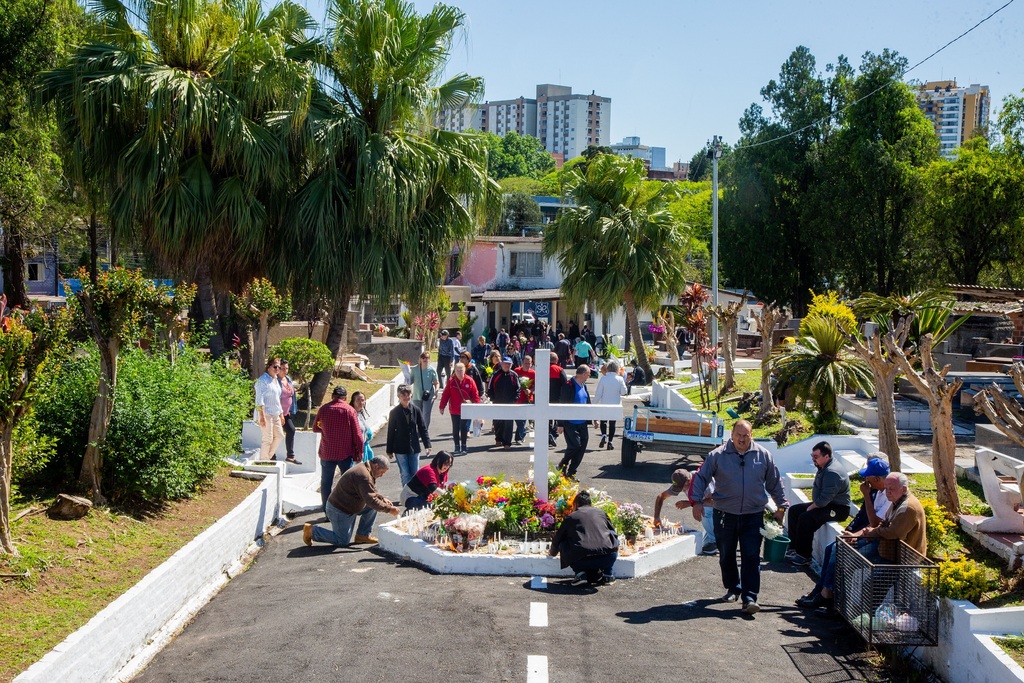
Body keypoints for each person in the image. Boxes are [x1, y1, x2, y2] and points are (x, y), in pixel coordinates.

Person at [690, 420, 789, 616]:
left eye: (746, 435)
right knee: (726, 554)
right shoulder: (717, 455)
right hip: (725, 514)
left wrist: (781, 506)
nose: (742, 439)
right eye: (739, 435)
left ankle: (749, 597)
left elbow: (774, 482)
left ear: (751, 435)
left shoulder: (763, 455)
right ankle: (733, 588)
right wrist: (696, 502)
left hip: (753, 515)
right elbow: (701, 477)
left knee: (751, 556)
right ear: (732, 435)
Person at [796, 457, 891, 613]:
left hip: (880, 542)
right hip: (870, 534)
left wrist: (866, 495)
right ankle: (821, 591)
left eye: (868, 477)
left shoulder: (886, 495)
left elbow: (874, 523)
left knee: (840, 553)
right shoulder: (879, 492)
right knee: (830, 548)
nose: (865, 479)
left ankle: (828, 597)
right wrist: (854, 535)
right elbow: (871, 523)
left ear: (876, 478)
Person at [302, 455, 400, 547]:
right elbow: (371, 499)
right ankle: (312, 531)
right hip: (339, 510)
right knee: (342, 541)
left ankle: (362, 535)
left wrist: (382, 499)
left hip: (350, 506)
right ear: (376, 466)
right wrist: (389, 509)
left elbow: (371, 490)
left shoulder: (367, 469)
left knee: (374, 507)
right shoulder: (363, 475)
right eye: (382, 472)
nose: (381, 475)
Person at [785, 441, 851, 566]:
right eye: (812, 456)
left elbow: (824, 500)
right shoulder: (823, 466)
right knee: (794, 511)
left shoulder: (832, 472)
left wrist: (810, 508)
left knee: (806, 518)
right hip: (826, 504)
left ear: (826, 456)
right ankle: (793, 548)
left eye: (816, 457)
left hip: (838, 509)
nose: (813, 459)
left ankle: (804, 555)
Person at [549, 490, 618, 586]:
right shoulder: (601, 513)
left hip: (581, 561)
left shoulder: (571, 517)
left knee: (563, 542)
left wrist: (552, 552)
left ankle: (580, 573)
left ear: (576, 504)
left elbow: (558, 538)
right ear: (590, 503)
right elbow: (613, 533)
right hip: (607, 558)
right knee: (611, 533)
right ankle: (608, 574)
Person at [313, 385, 365, 512]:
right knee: (347, 483)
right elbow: (358, 434)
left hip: (327, 452)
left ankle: (327, 511)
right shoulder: (349, 410)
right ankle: (345, 509)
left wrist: (325, 430)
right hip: (345, 453)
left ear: (332, 396)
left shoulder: (324, 409)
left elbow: (315, 428)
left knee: (326, 483)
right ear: (346, 398)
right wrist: (360, 451)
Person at [653, 468, 717, 556]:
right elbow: (661, 496)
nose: (681, 490)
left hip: (725, 507)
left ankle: (715, 542)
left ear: (689, 481)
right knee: (702, 544)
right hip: (713, 507)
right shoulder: (681, 481)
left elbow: (713, 501)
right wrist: (656, 517)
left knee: (703, 509)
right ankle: (713, 538)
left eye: (682, 487)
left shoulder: (702, 479)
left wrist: (689, 503)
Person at [386, 384, 431, 487]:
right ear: (398, 396)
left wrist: (427, 445)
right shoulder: (394, 412)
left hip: (414, 447)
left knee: (415, 472)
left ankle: (414, 494)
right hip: (400, 448)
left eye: (408, 395)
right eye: (403, 395)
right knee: (405, 473)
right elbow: (391, 431)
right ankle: (406, 496)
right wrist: (389, 449)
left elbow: (422, 428)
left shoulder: (416, 410)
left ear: (411, 395)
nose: (406, 397)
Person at [557, 365, 592, 478]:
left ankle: (572, 472)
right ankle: (562, 464)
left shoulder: (584, 385)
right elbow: (562, 405)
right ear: (582, 374)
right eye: (588, 374)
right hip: (570, 423)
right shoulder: (569, 386)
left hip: (582, 423)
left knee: (582, 448)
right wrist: (560, 424)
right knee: (575, 445)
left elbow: (588, 403)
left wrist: (594, 418)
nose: (589, 376)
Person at [439, 362, 480, 456]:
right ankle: (457, 446)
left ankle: (464, 445)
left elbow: (475, 395)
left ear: (464, 370)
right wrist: (442, 406)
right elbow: (446, 394)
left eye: (461, 370)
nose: (459, 372)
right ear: (455, 371)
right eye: (457, 370)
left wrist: (477, 407)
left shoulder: (470, 380)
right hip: (454, 409)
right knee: (455, 427)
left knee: (464, 427)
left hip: (466, 409)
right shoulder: (451, 381)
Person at [254, 357, 285, 461]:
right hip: (265, 413)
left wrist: (281, 414)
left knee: (280, 436)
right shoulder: (262, 380)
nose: (277, 369)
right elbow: (259, 399)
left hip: (275, 413)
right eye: (275, 367)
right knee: (268, 438)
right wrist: (261, 416)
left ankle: (268, 457)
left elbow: (277, 399)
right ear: (268, 367)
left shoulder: (275, 380)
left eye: (279, 367)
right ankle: (264, 460)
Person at [487, 357, 520, 449]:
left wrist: (514, 400)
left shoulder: (514, 375)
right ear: (501, 364)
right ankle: (498, 439)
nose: (507, 365)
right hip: (497, 403)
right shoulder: (495, 374)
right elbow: (489, 388)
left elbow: (518, 389)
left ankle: (507, 443)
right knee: (497, 422)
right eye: (505, 363)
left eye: (509, 364)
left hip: (509, 404)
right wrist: (493, 399)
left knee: (508, 423)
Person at [594, 361, 627, 451]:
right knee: (612, 423)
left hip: (604, 403)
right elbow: (624, 392)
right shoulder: (620, 379)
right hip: (615, 405)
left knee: (603, 421)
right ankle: (610, 442)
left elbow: (598, 393)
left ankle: (604, 435)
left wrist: (593, 404)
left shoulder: (603, 379)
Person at [278, 359, 301, 464]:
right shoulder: (275, 381)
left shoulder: (288, 379)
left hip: (286, 413)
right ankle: (271, 455)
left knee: (291, 430)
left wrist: (291, 409)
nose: (285, 371)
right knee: (276, 434)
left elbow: (292, 395)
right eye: (283, 368)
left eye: (287, 368)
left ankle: (290, 456)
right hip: (277, 413)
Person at [411, 352, 439, 430]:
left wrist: (436, 391)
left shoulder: (431, 370)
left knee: (426, 413)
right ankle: (418, 429)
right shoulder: (414, 369)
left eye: (427, 358)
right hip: (417, 395)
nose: (425, 359)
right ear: (420, 359)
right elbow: (410, 381)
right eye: (423, 358)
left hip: (428, 395)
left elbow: (436, 382)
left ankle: (424, 430)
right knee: (417, 414)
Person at [513, 354, 536, 445]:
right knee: (518, 419)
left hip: (527, 398)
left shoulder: (533, 373)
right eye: (525, 363)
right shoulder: (516, 371)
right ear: (522, 363)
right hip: (517, 398)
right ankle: (522, 433)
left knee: (523, 419)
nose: (527, 365)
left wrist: (530, 390)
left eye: (529, 363)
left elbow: (535, 385)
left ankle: (519, 438)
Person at [350, 391, 375, 462]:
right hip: (356, 451)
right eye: (358, 400)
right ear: (353, 402)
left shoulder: (360, 414)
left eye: (362, 400)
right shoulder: (351, 415)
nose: (361, 402)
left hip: (364, 449)